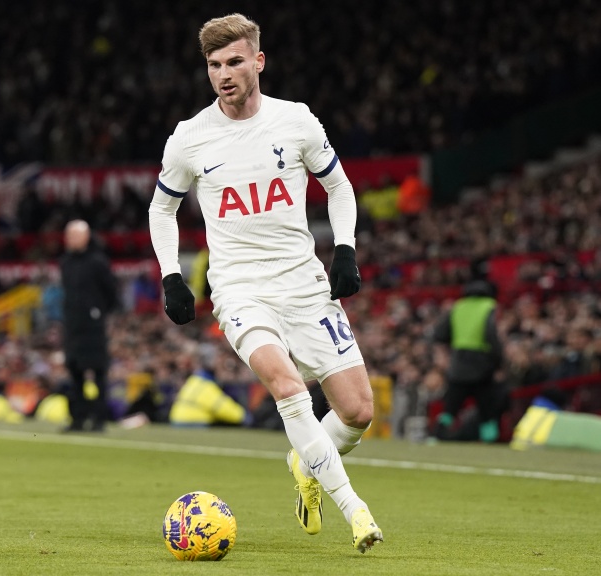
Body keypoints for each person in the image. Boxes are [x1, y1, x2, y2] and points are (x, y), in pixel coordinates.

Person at [148, 14, 383, 554]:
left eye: (234, 62)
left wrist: (345, 248)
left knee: (357, 412)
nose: (223, 74)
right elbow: (162, 209)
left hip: (304, 284)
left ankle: (306, 462)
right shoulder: (189, 138)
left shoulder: (296, 121)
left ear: (258, 61)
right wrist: (172, 275)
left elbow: (340, 187)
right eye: (214, 65)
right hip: (240, 290)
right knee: (288, 387)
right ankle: (355, 510)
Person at [60, 220, 118, 432]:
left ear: (86, 237)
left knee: (98, 372)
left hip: (93, 327)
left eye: (74, 235)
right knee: (75, 372)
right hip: (72, 326)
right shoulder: (65, 262)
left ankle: (99, 419)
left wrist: (97, 312)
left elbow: (111, 292)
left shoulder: (98, 262)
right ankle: (78, 418)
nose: (70, 240)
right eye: (68, 235)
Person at [432, 279, 504, 442]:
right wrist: (498, 362)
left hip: (458, 363)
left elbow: (440, 333)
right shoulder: (489, 306)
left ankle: (437, 435)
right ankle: (490, 440)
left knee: (451, 406)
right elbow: (492, 336)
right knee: (487, 408)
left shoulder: (458, 307)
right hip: (482, 364)